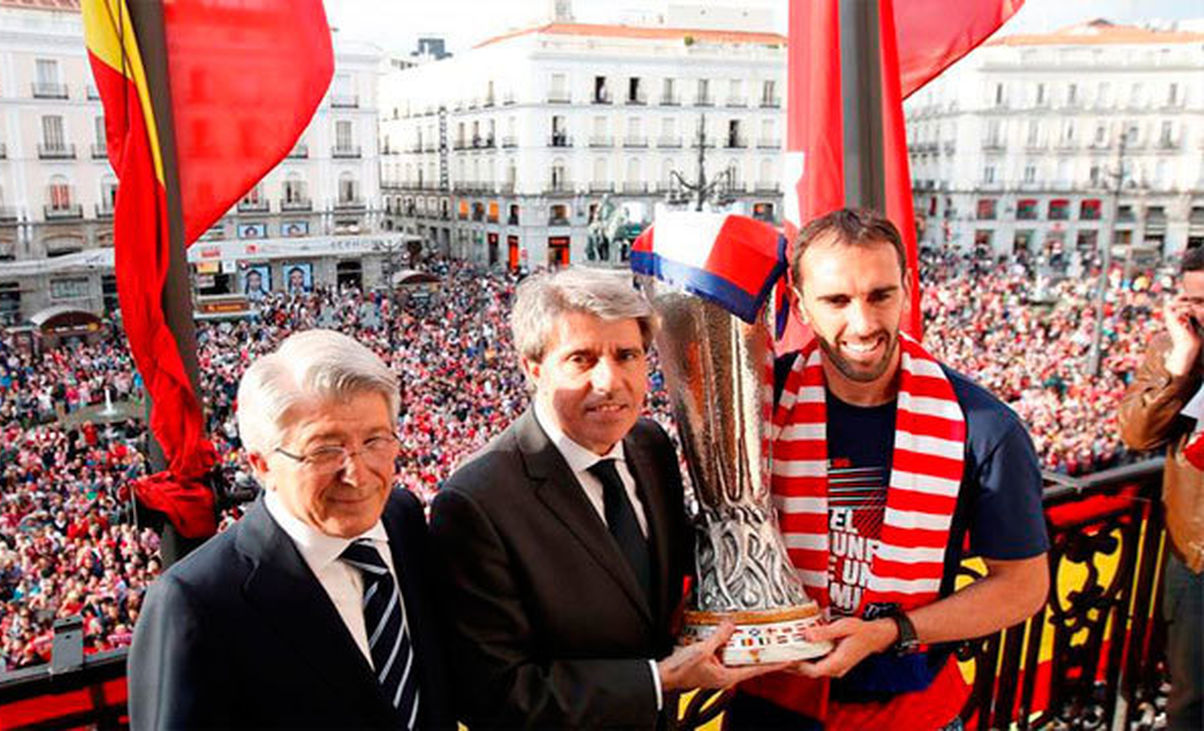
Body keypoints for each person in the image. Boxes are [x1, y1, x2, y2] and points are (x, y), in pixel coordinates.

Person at [731, 208, 1051, 729]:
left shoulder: (984, 426)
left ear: (906, 289)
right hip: (771, 700)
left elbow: (1022, 586)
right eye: (837, 300)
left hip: (905, 707)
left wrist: (890, 631)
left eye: (880, 295)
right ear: (801, 306)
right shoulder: (756, 406)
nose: (863, 323)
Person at [429, 267, 774, 730]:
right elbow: (497, 694)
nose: (609, 381)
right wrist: (658, 679)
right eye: (582, 359)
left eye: (626, 355)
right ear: (533, 367)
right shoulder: (477, 502)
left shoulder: (649, 446)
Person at [127, 330, 453, 730]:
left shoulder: (401, 518)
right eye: (325, 450)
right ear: (262, 464)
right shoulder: (194, 603)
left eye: (375, 440)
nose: (358, 474)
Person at [1118, 246, 1204, 731]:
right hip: (1197, 554)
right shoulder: (1172, 348)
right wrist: (1181, 367)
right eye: (1192, 300)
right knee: (1191, 699)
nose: (1198, 311)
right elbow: (1135, 432)